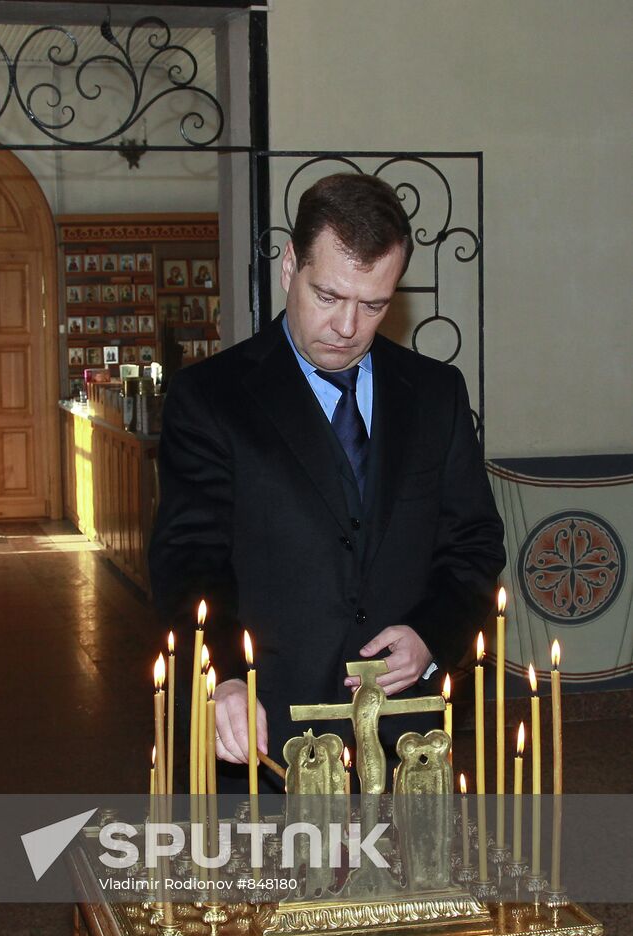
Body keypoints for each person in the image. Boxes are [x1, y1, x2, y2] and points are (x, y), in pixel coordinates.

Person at [149, 173, 505, 789]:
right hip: (263, 728)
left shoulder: (435, 394)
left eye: (373, 305)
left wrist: (431, 635)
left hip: (403, 739)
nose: (347, 326)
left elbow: (473, 545)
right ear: (290, 265)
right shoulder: (211, 398)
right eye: (329, 296)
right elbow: (189, 558)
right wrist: (222, 674)